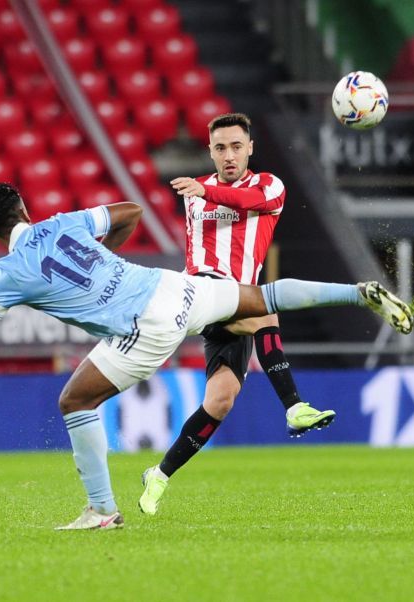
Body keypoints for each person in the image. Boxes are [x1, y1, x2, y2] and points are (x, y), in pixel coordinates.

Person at [0, 182, 414, 530]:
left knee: (75, 402)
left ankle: (100, 510)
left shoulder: (8, 273)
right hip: (171, 286)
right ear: (26, 209)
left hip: (144, 328)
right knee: (259, 298)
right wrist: (108, 258)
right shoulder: (61, 223)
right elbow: (130, 211)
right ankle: (357, 292)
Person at [138, 113, 336, 516]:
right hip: (201, 292)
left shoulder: (269, 187)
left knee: (221, 400)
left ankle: (158, 475)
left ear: (250, 148)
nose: (228, 155)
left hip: (235, 300)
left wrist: (207, 193)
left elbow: (248, 201)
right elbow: (218, 228)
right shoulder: (199, 193)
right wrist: (205, 193)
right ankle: (295, 407)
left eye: (235, 146)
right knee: (266, 311)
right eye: (220, 148)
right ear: (210, 152)